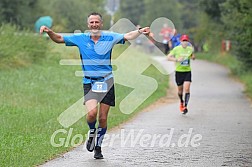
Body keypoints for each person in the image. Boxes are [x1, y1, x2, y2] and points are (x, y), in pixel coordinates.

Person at [40, 12, 150, 159]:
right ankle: (92, 132)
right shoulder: (81, 38)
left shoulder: (109, 37)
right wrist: (49, 31)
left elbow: (127, 36)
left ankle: (98, 146)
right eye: (91, 22)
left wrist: (139, 31)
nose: (94, 25)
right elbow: (59, 39)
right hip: (90, 81)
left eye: (96, 22)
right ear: (88, 25)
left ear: (101, 24)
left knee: (103, 118)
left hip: (107, 81)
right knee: (92, 114)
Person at [167, 34, 195, 114]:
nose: (185, 42)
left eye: (186, 41)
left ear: (188, 41)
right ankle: (181, 102)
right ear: (180, 41)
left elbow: (193, 56)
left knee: (187, 88)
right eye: (183, 41)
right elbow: (168, 57)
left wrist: (193, 57)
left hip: (187, 71)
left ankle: (185, 106)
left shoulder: (190, 49)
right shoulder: (176, 49)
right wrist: (176, 59)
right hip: (179, 72)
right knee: (180, 91)